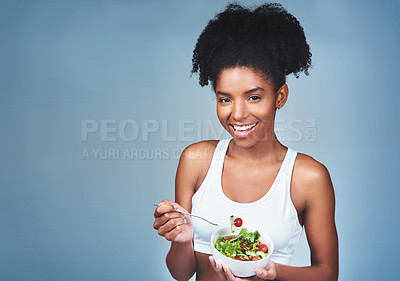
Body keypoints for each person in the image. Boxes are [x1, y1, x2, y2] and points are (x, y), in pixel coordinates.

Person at [153, 3, 338, 281]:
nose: (237, 114)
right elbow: (181, 273)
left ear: (280, 97)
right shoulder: (196, 160)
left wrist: (274, 273)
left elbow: (327, 273)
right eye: (225, 99)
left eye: (253, 97)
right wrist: (181, 240)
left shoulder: (308, 177)